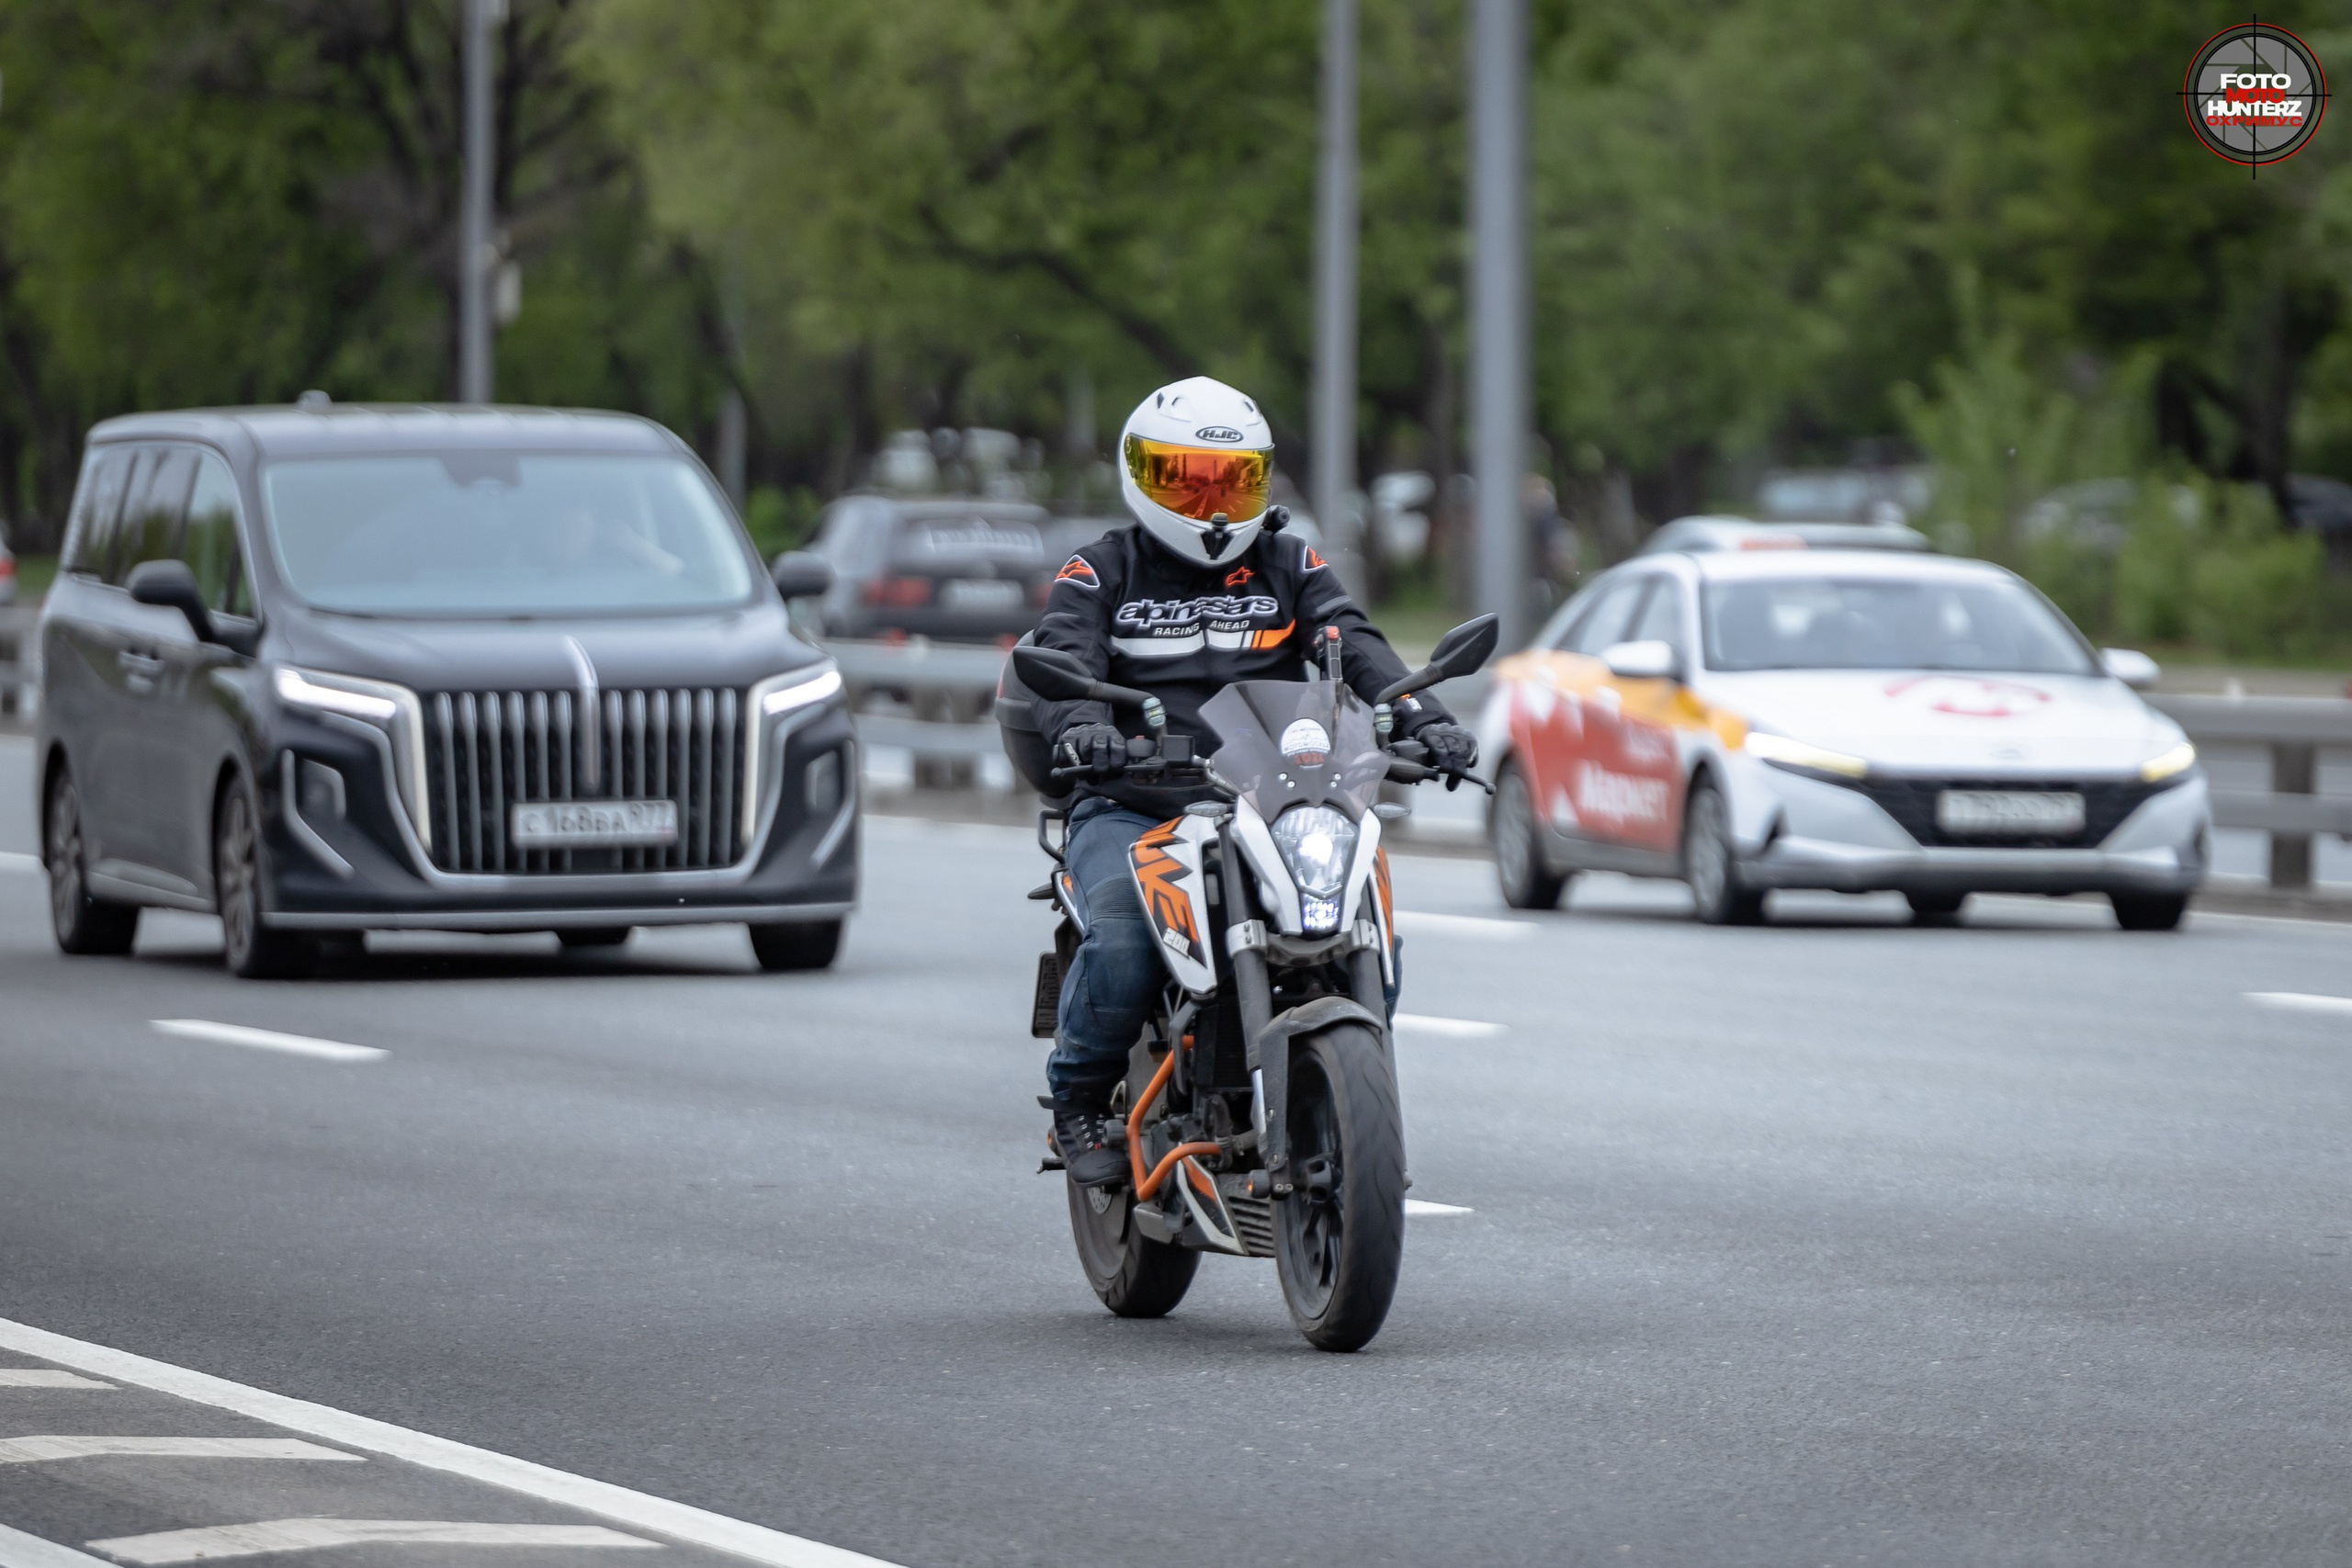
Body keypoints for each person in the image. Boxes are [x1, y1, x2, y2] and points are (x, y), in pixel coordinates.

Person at [1034, 377, 1478, 1185]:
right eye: (1186, 477)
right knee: (1127, 940)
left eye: (1229, 479)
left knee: (1364, 927)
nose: (1209, 501)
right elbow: (1063, 659)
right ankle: (1079, 1104)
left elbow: (1359, 643)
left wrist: (1424, 717)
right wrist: (1083, 732)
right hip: (1137, 804)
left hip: (1274, 802)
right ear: (1141, 475)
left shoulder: (1289, 560)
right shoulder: (1100, 571)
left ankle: (1348, 1110)